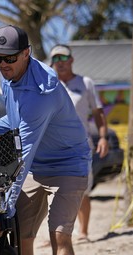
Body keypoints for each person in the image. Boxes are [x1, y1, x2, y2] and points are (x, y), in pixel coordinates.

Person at [0, 26, 91, 255]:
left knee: (60, 236)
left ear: (27, 54)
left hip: (68, 164)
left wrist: (8, 204)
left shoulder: (44, 91)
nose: (3, 64)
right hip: (37, 162)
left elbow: (23, 153)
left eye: (10, 58)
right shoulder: (11, 79)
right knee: (22, 235)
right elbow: (16, 121)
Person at [50, 44, 109, 242]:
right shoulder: (50, 86)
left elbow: (98, 113)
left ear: (71, 60)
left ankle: (83, 232)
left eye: (63, 58)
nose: (59, 63)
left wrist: (103, 137)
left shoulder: (86, 83)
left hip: (80, 147)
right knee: (53, 191)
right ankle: (55, 233)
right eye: (55, 59)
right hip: (54, 147)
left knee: (82, 190)